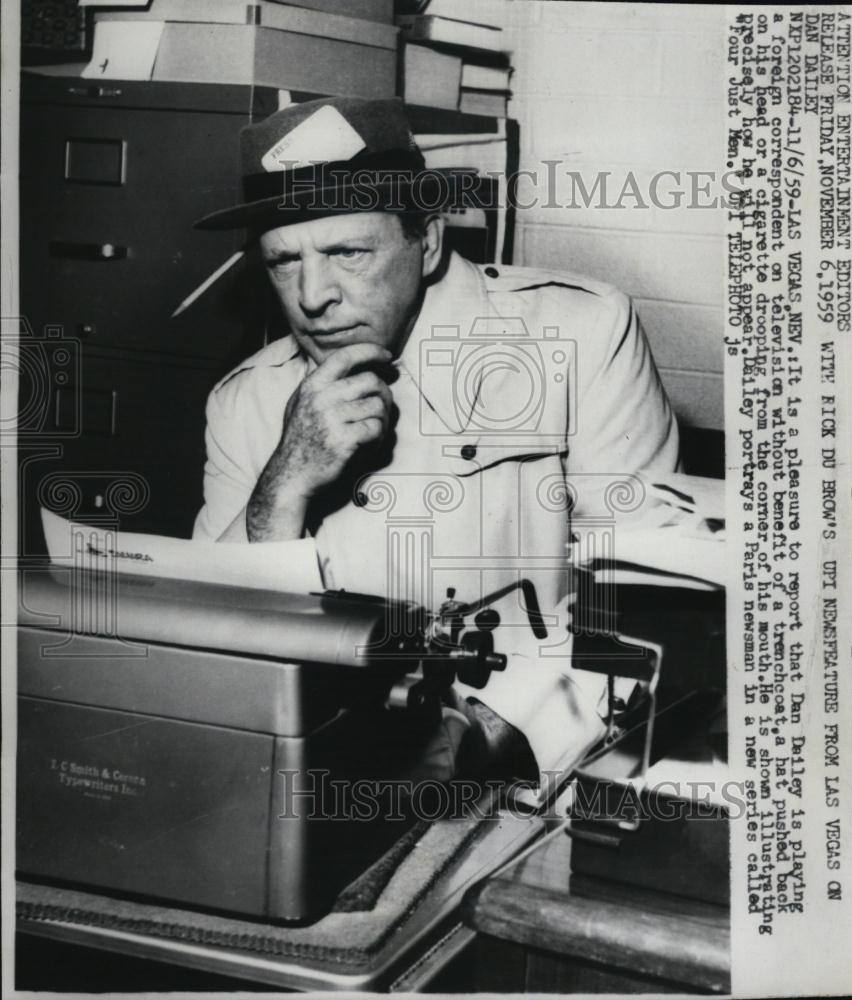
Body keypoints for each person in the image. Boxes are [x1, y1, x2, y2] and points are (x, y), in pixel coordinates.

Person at [192, 97, 680, 782]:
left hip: (529, 765)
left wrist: (489, 731)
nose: (311, 296)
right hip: (312, 764)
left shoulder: (576, 335)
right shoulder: (246, 399)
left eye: (346, 253)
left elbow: (641, 599)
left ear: (427, 240)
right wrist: (285, 482)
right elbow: (207, 644)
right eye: (282, 261)